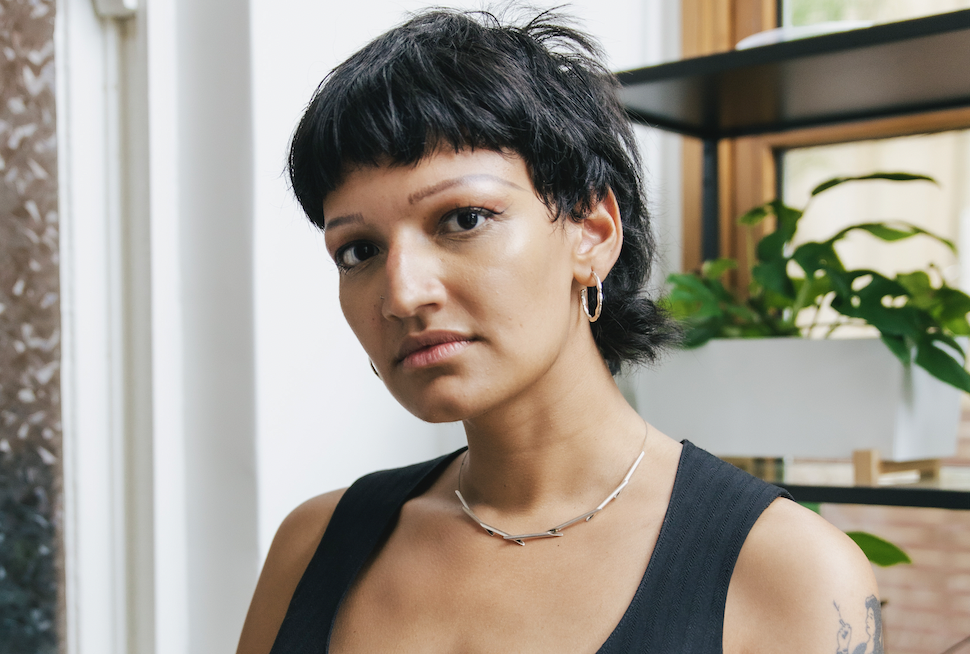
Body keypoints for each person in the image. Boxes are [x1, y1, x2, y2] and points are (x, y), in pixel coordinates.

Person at [237, 8, 882, 653]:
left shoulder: (785, 572)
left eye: (463, 219)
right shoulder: (315, 546)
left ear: (593, 232)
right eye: (358, 251)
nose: (403, 294)